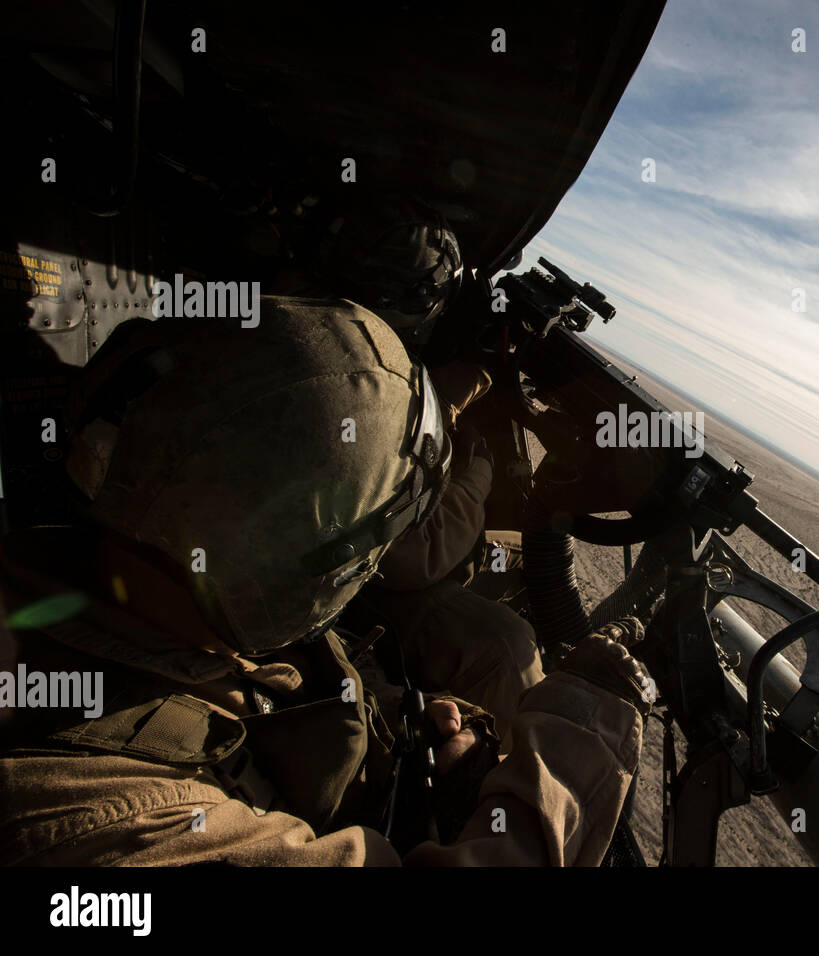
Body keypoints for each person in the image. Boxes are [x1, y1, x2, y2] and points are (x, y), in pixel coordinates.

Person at [0, 301, 648, 865]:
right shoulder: (124, 824)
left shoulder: (169, 590)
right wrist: (582, 739)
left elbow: (250, 697)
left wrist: (411, 739)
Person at [316, 194, 543, 749]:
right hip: (345, 595)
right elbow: (411, 559)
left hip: (300, 570)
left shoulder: (309, 335)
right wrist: (476, 469)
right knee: (510, 647)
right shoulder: (359, 387)